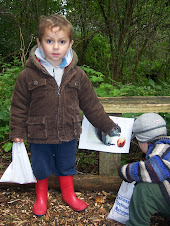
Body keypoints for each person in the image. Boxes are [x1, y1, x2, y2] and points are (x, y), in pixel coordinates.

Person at [9, 14, 120, 216]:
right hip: (39, 133)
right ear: (39, 43)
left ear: (70, 44)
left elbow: (91, 105)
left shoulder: (78, 75)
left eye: (61, 42)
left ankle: (69, 195)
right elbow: (18, 106)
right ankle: (41, 196)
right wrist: (17, 131)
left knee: (66, 165)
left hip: (68, 132)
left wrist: (108, 125)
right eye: (49, 41)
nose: (55, 47)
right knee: (41, 167)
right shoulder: (28, 75)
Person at [118, 113, 170, 226]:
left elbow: (152, 170)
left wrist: (126, 171)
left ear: (143, 141)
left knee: (144, 189)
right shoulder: (166, 146)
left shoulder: (161, 150)